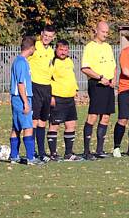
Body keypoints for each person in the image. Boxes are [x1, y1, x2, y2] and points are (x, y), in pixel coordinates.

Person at [80, 21, 117, 159]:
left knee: (106, 116)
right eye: (103, 32)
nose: (105, 35)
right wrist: (100, 77)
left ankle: (99, 150)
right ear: (96, 30)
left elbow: (113, 65)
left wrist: (113, 78)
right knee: (93, 115)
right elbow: (85, 68)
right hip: (97, 84)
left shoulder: (108, 47)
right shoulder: (90, 47)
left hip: (108, 85)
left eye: (107, 32)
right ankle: (86, 151)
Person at [9, 36, 42, 164]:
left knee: (16, 127)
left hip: (17, 98)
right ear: (31, 48)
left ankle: (14, 156)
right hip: (21, 98)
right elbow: (21, 83)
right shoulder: (21, 62)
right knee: (28, 127)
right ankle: (30, 158)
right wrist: (26, 102)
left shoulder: (19, 61)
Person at [48, 39, 82, 161]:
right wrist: (51, 96)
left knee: (71, 124)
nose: (63, 52)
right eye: (61, 49)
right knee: (54, 125)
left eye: (66, 50)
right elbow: (48, 79)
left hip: (69, 98)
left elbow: (71, 77)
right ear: (56, 49)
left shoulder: (69, 61)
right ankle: (53, 154)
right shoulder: (52, 62)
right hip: (57, 98)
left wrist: (75, 90)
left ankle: (68, 153)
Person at [27, 25, 56, 161]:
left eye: (50, 37)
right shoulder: (34, 46)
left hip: (47, 87)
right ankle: (31, 151)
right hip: (35, 86)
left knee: (43, 121)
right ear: (41, 34)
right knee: (34, 120)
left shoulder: (51, 51)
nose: (47, 39)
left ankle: (42, 152)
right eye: (45, 36)